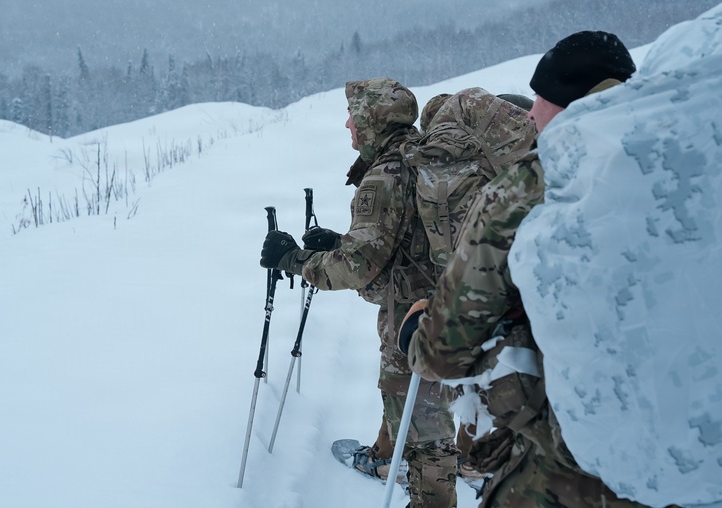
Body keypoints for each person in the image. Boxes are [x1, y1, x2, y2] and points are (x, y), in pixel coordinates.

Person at [400, 31, 649, 507]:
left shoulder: (528, 190)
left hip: (573, 458)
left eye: (545, 99)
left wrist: (415, 332)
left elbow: (444, 352)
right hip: (691, 461)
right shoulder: (685, 169)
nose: (532, 113)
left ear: (576, 105)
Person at [261, 78, 460, 508]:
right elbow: (402, 244)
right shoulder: (418, 156)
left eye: (355, 114)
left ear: (374, 120)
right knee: (413, 402)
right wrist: (338, 243)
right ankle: (390, 458)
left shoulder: (385, 176)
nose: (347, 123)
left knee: (426, 427)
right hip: (436, 301)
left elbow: (356, 268)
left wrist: (294, 261)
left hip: (413, 317)